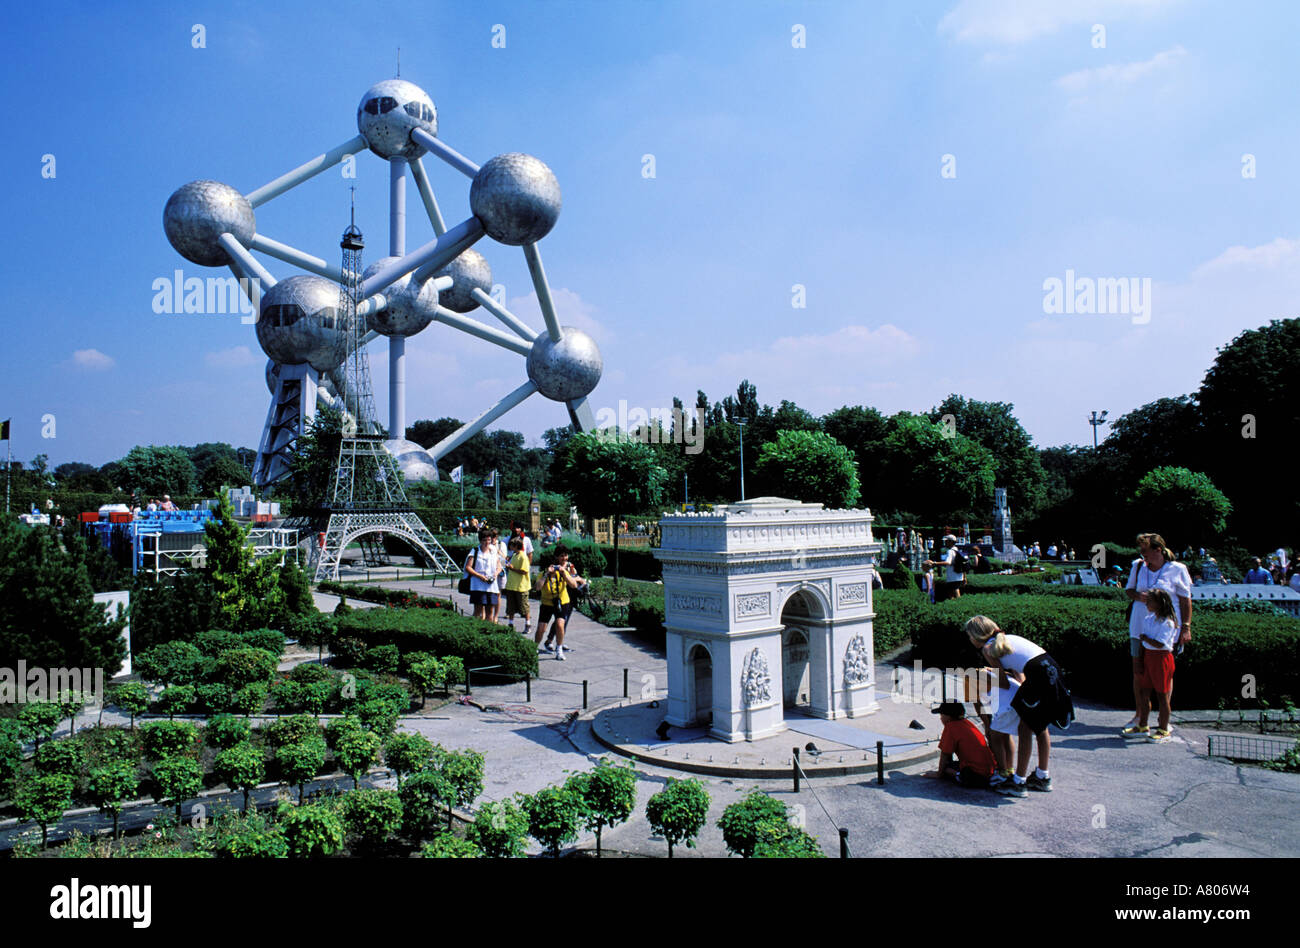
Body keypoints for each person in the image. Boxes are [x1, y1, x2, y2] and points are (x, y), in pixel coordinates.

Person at [965, 616, 1074, 798]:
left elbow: (1004, 684)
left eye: (969, 636)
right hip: (1052, 673)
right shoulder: (1008, 640)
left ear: (977, 636)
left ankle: (1018, 781)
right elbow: (1020, 672)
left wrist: (989, 672)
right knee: (1040, 728)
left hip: (1038, 677)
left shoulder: (988, 649)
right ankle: (1042, 776)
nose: (969, 639)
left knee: (1026, 729)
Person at [1122, 533, 1192, 736]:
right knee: (1139, 672)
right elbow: (1129, 591)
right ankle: (1140, 717)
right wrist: (1139, 596)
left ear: (1158, 550)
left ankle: (1163, 721)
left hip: (1166, 629)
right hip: (1140, 626)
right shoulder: (1138, 565)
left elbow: (1185, 600)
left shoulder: (1177, 569)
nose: (1141, 554)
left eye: (1145, 550)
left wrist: (1186, 627)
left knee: (1164, 674)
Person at [1135, 588, 1179, 743]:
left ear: (1160, 603)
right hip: (1149, 656)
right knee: (1144, 692)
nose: (1147, 603)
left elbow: (1160, 644)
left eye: (1150, 600)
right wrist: (1140, 659)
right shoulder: (1149, 619)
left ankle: (1163, 728)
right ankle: (1142, 725)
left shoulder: (1168, 622)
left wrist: (1145, 638)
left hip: (1162, 659)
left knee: (1162, 695)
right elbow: (1144, 642)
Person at [926, 701, 996, 789]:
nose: (940, 718)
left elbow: (945, 753)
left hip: (975, 775)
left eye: (941, 715)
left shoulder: (951, 727)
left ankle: (959, 775)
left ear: (948, 716)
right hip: (990, 770)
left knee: (947, 768)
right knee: (951, 765)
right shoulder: (967, 723)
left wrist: (939, 774)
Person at [536, 545, 580, 660]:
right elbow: (537, 588)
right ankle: (534, 647)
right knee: (541, 628)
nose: (564, 558)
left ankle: (559, 649)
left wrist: (564, 572)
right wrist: (547, 574)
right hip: (547, 602)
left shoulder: (565, 571)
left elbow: (574, 585)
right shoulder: (544, 573)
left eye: (566, 555)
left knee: (560, 624)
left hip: (562, 601)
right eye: (562, 556)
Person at [464, 528, 503, 622]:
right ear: (480, 540)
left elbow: (499, 566)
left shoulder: (493, 551)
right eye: (484, 540)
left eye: (489, 540)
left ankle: (489, 631)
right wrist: (480, 576)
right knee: (478, 611)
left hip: (491, 586)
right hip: (478, 585)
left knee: (490, 611)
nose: (487, 542)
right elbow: (468, 567)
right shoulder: (475, 551)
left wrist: (496, 574)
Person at [502, 536, 532, 636]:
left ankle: (528, 625)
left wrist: (512, 568)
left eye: (511, 545)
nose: (509, 547)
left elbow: (524, 571)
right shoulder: (515, 555)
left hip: (521, 587)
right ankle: (510, 624)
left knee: (524, 607)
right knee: (511, 607)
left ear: (515, 546)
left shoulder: (523, 557)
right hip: (512, 586)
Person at [939, 534, 964, 602]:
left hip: (952, 576)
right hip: (959, 575)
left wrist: (935, 563)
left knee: (953, 593)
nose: (945, 543)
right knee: (955, 590)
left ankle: (957, 606)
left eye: (946, 541)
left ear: (950, 542)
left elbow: (948, 562)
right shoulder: (956, 550)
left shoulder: (950, 551)